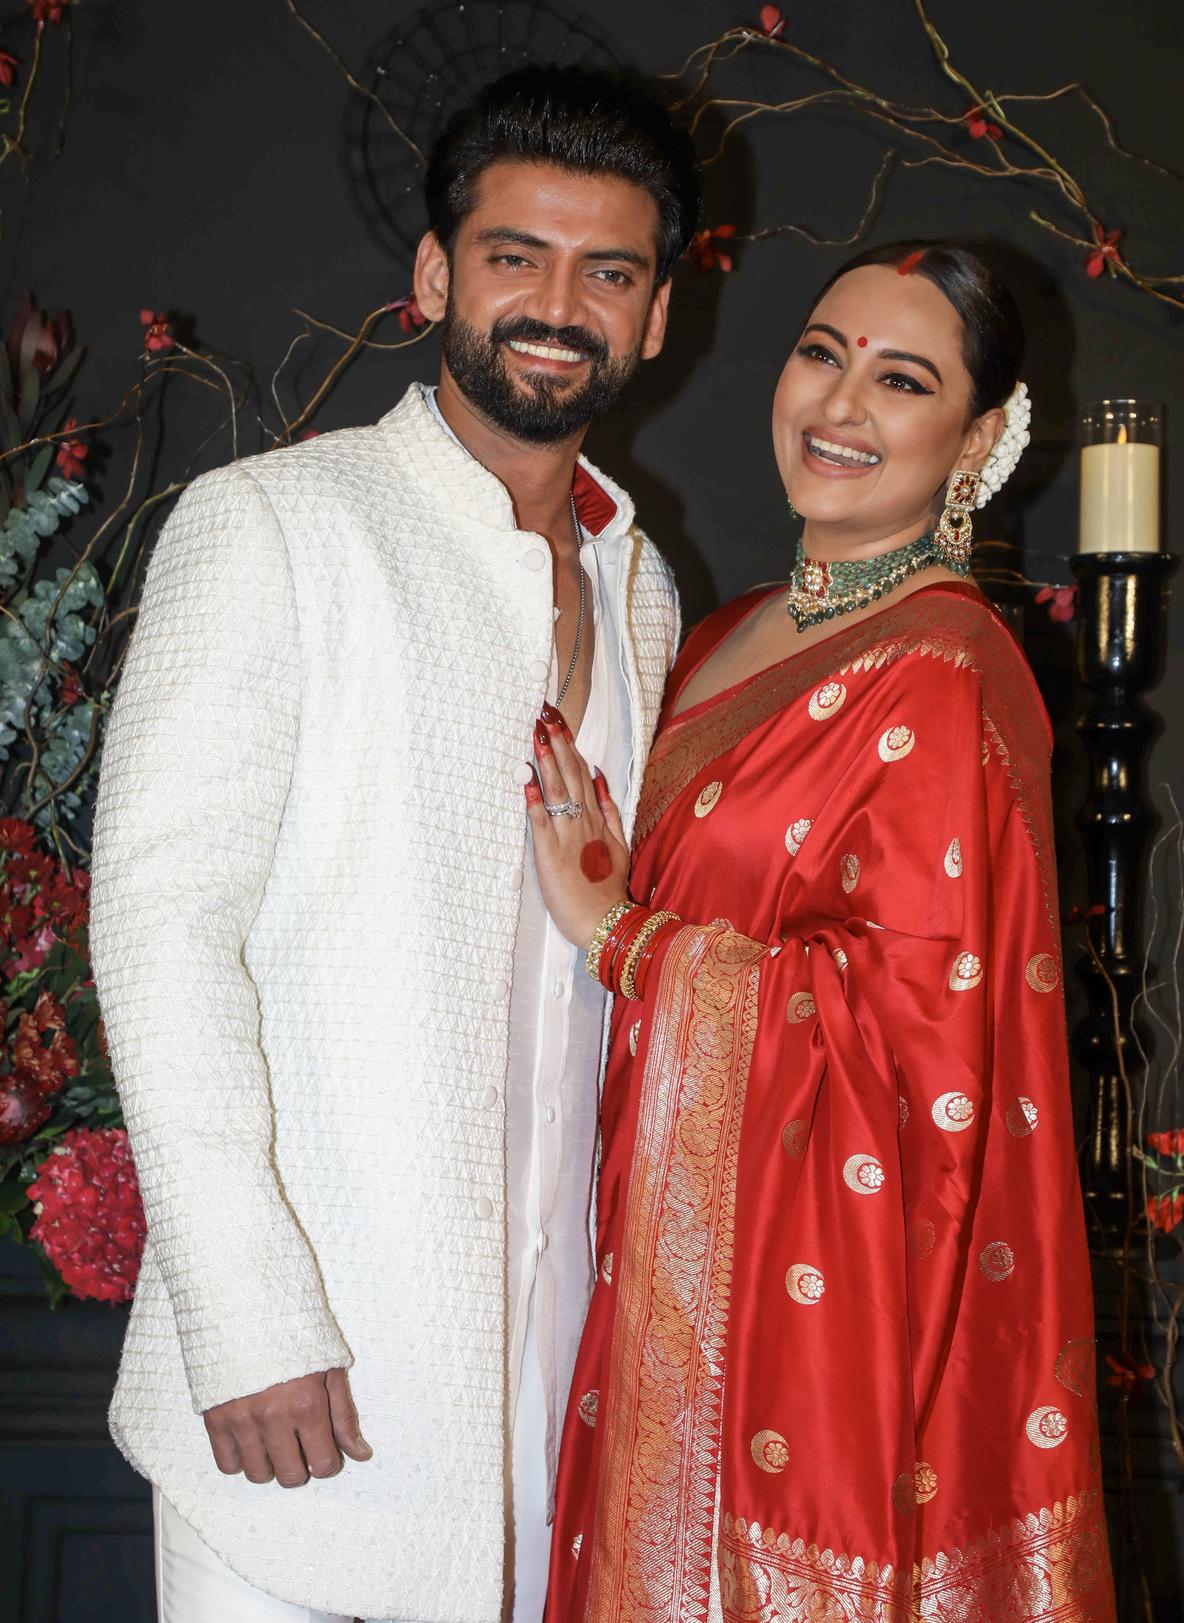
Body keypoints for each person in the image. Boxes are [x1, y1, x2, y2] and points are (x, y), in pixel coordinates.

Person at [88, 63, 698, 1623]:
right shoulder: (274, 524)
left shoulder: (644, 589)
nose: (559, 304)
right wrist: (246, 1316)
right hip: (304, 1373)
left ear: (656, 317)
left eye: (608, 272)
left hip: (550, 1367)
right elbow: (162, 931)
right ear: (436, 276)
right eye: (516, 257)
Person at [526, 241, 1117, 1620]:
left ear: (976, 442)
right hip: (644, 1263)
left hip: (812, 1318)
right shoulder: (716, 628)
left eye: (901, 380)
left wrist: (627, 941)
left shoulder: (950, 671)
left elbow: (912, 1042)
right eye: (821, 352)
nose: (839, 406)